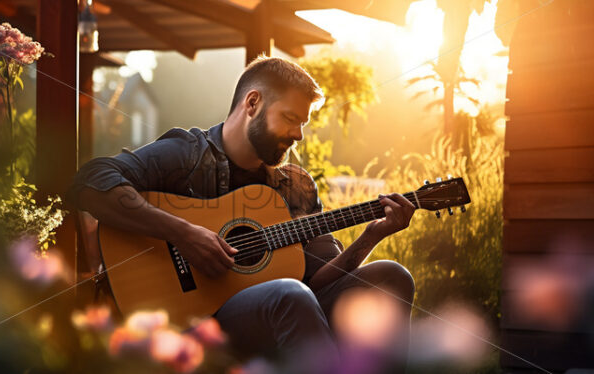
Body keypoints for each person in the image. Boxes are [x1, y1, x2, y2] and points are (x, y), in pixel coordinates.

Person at [70, 56, 416, 372]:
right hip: (196, 317)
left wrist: (371, 236)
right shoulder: (186, 155)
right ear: (253, 103)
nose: (298, 134)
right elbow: (91, 181)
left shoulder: (295, 187)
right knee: (290, 295)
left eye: (302, 124)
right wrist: (183, 234)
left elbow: (316, 280)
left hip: (276, 308)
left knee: (391, 277)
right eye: (291, 118)